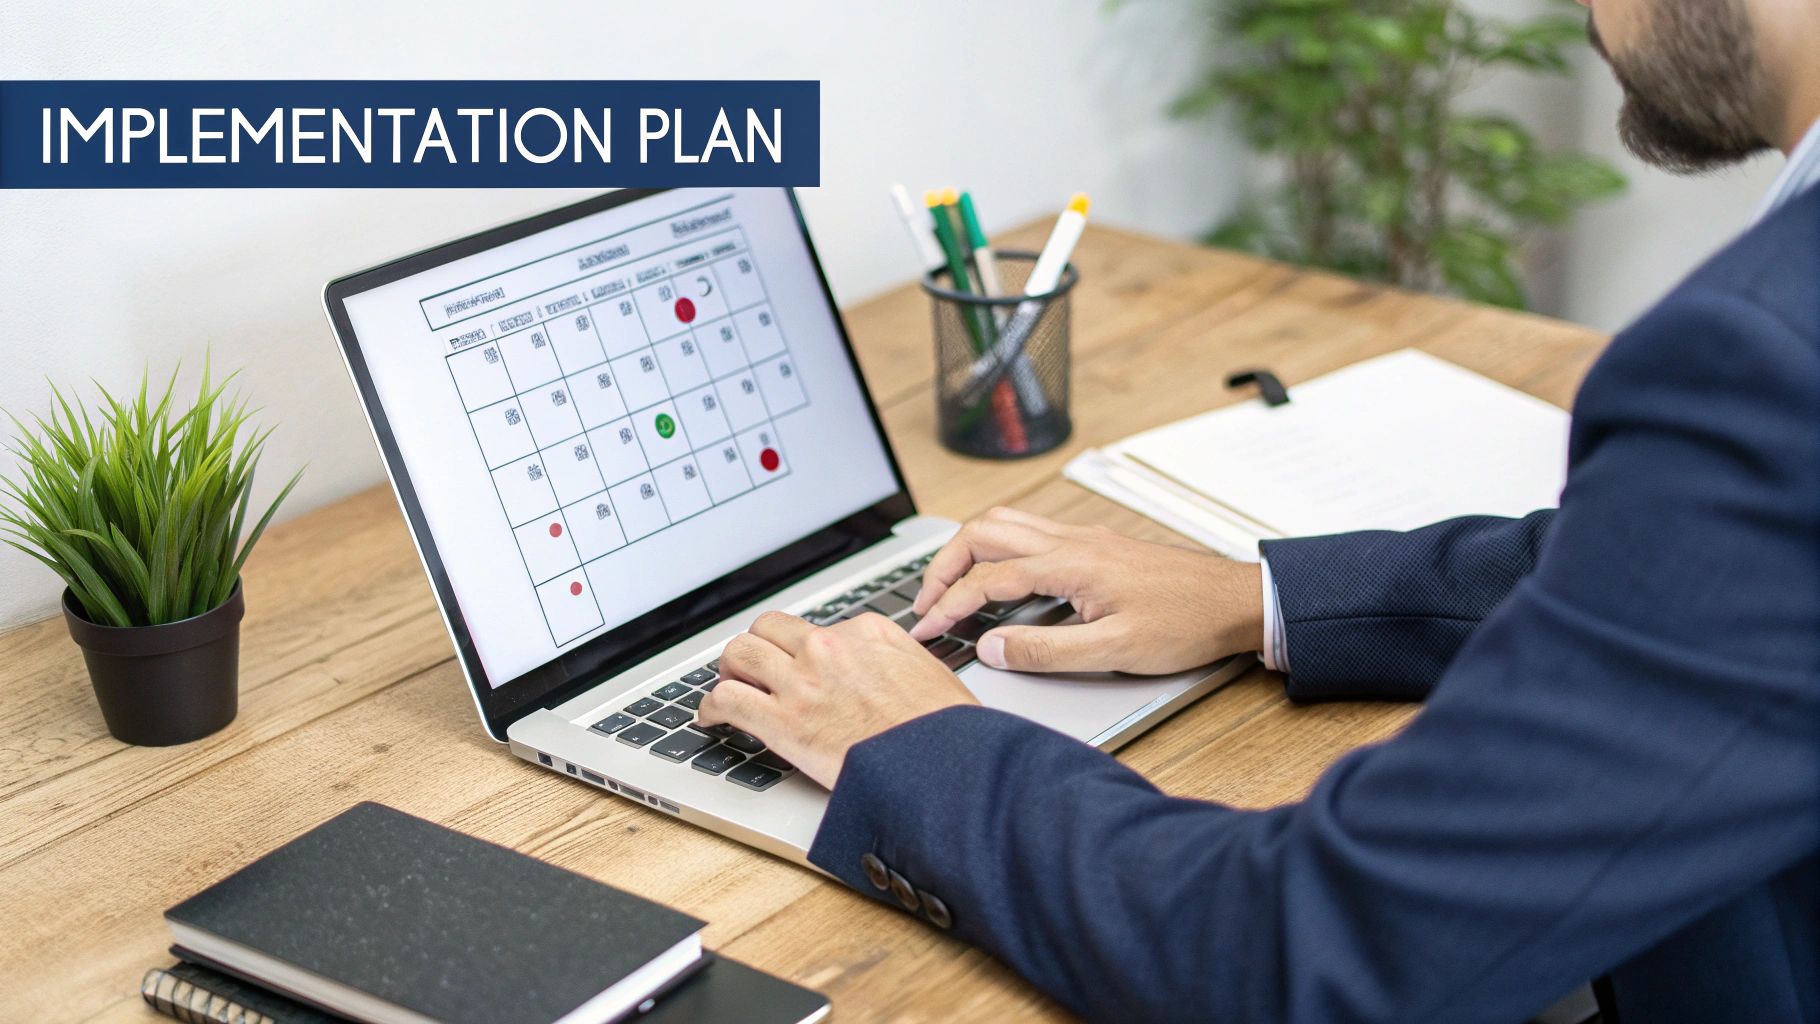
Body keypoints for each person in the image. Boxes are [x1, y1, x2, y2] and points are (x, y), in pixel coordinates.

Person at [698, 0, 1820, 1017]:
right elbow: (1723, 584)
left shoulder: (1763, 356)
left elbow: (1304, 953)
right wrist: (1263, 597)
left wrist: (915, 743)